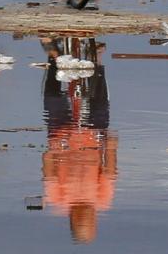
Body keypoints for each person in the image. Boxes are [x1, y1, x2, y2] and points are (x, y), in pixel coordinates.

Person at [41, 37, 117, 244]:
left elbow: (49, 173)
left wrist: (51, 151)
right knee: (100, 106)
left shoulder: (57, 200)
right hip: (92, 139)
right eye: (89, 223)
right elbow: (109, 172)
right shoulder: (102, 200)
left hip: (62, 139)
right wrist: (111, 147)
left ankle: (53, 56)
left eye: (83, 223)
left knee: (53, 100)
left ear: (72, 220)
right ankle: (97, 60)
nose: (86, 218)